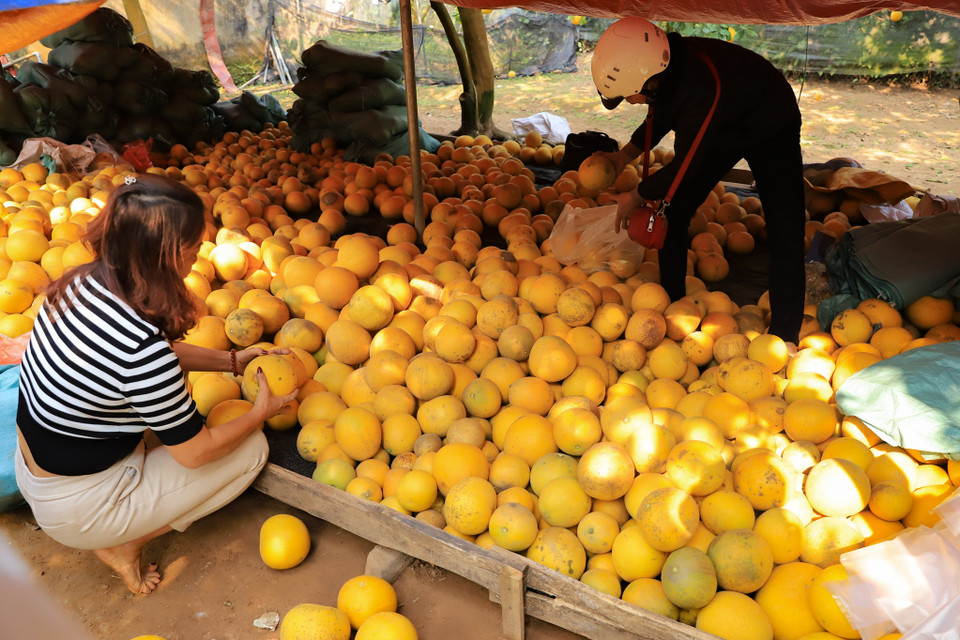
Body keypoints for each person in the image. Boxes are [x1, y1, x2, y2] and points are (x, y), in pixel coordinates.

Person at [14, 173, 297, 595]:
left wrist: (231, 360)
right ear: (168, 255)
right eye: (195, 249)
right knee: (251, 450)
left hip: (41, 466)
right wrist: (261, 412)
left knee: (171, 406)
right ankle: (124, 543)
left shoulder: (83, 282)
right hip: (77, 506)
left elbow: (150, 356)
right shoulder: (140, 351)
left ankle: (124, 502)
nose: (200, 257)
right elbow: (196, 453)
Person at [592, 17, 806, 343]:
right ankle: (673, 305)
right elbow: (660, 114)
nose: (629, 102)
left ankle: (784, 338)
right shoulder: (666, 70)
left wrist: (636, 195)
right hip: (722, 124)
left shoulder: (698, 84)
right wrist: (624, 157)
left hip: (769, 123)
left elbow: (686, 166)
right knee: (674, 208)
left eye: (627, 96)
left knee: (786, 229)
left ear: (646, 79)